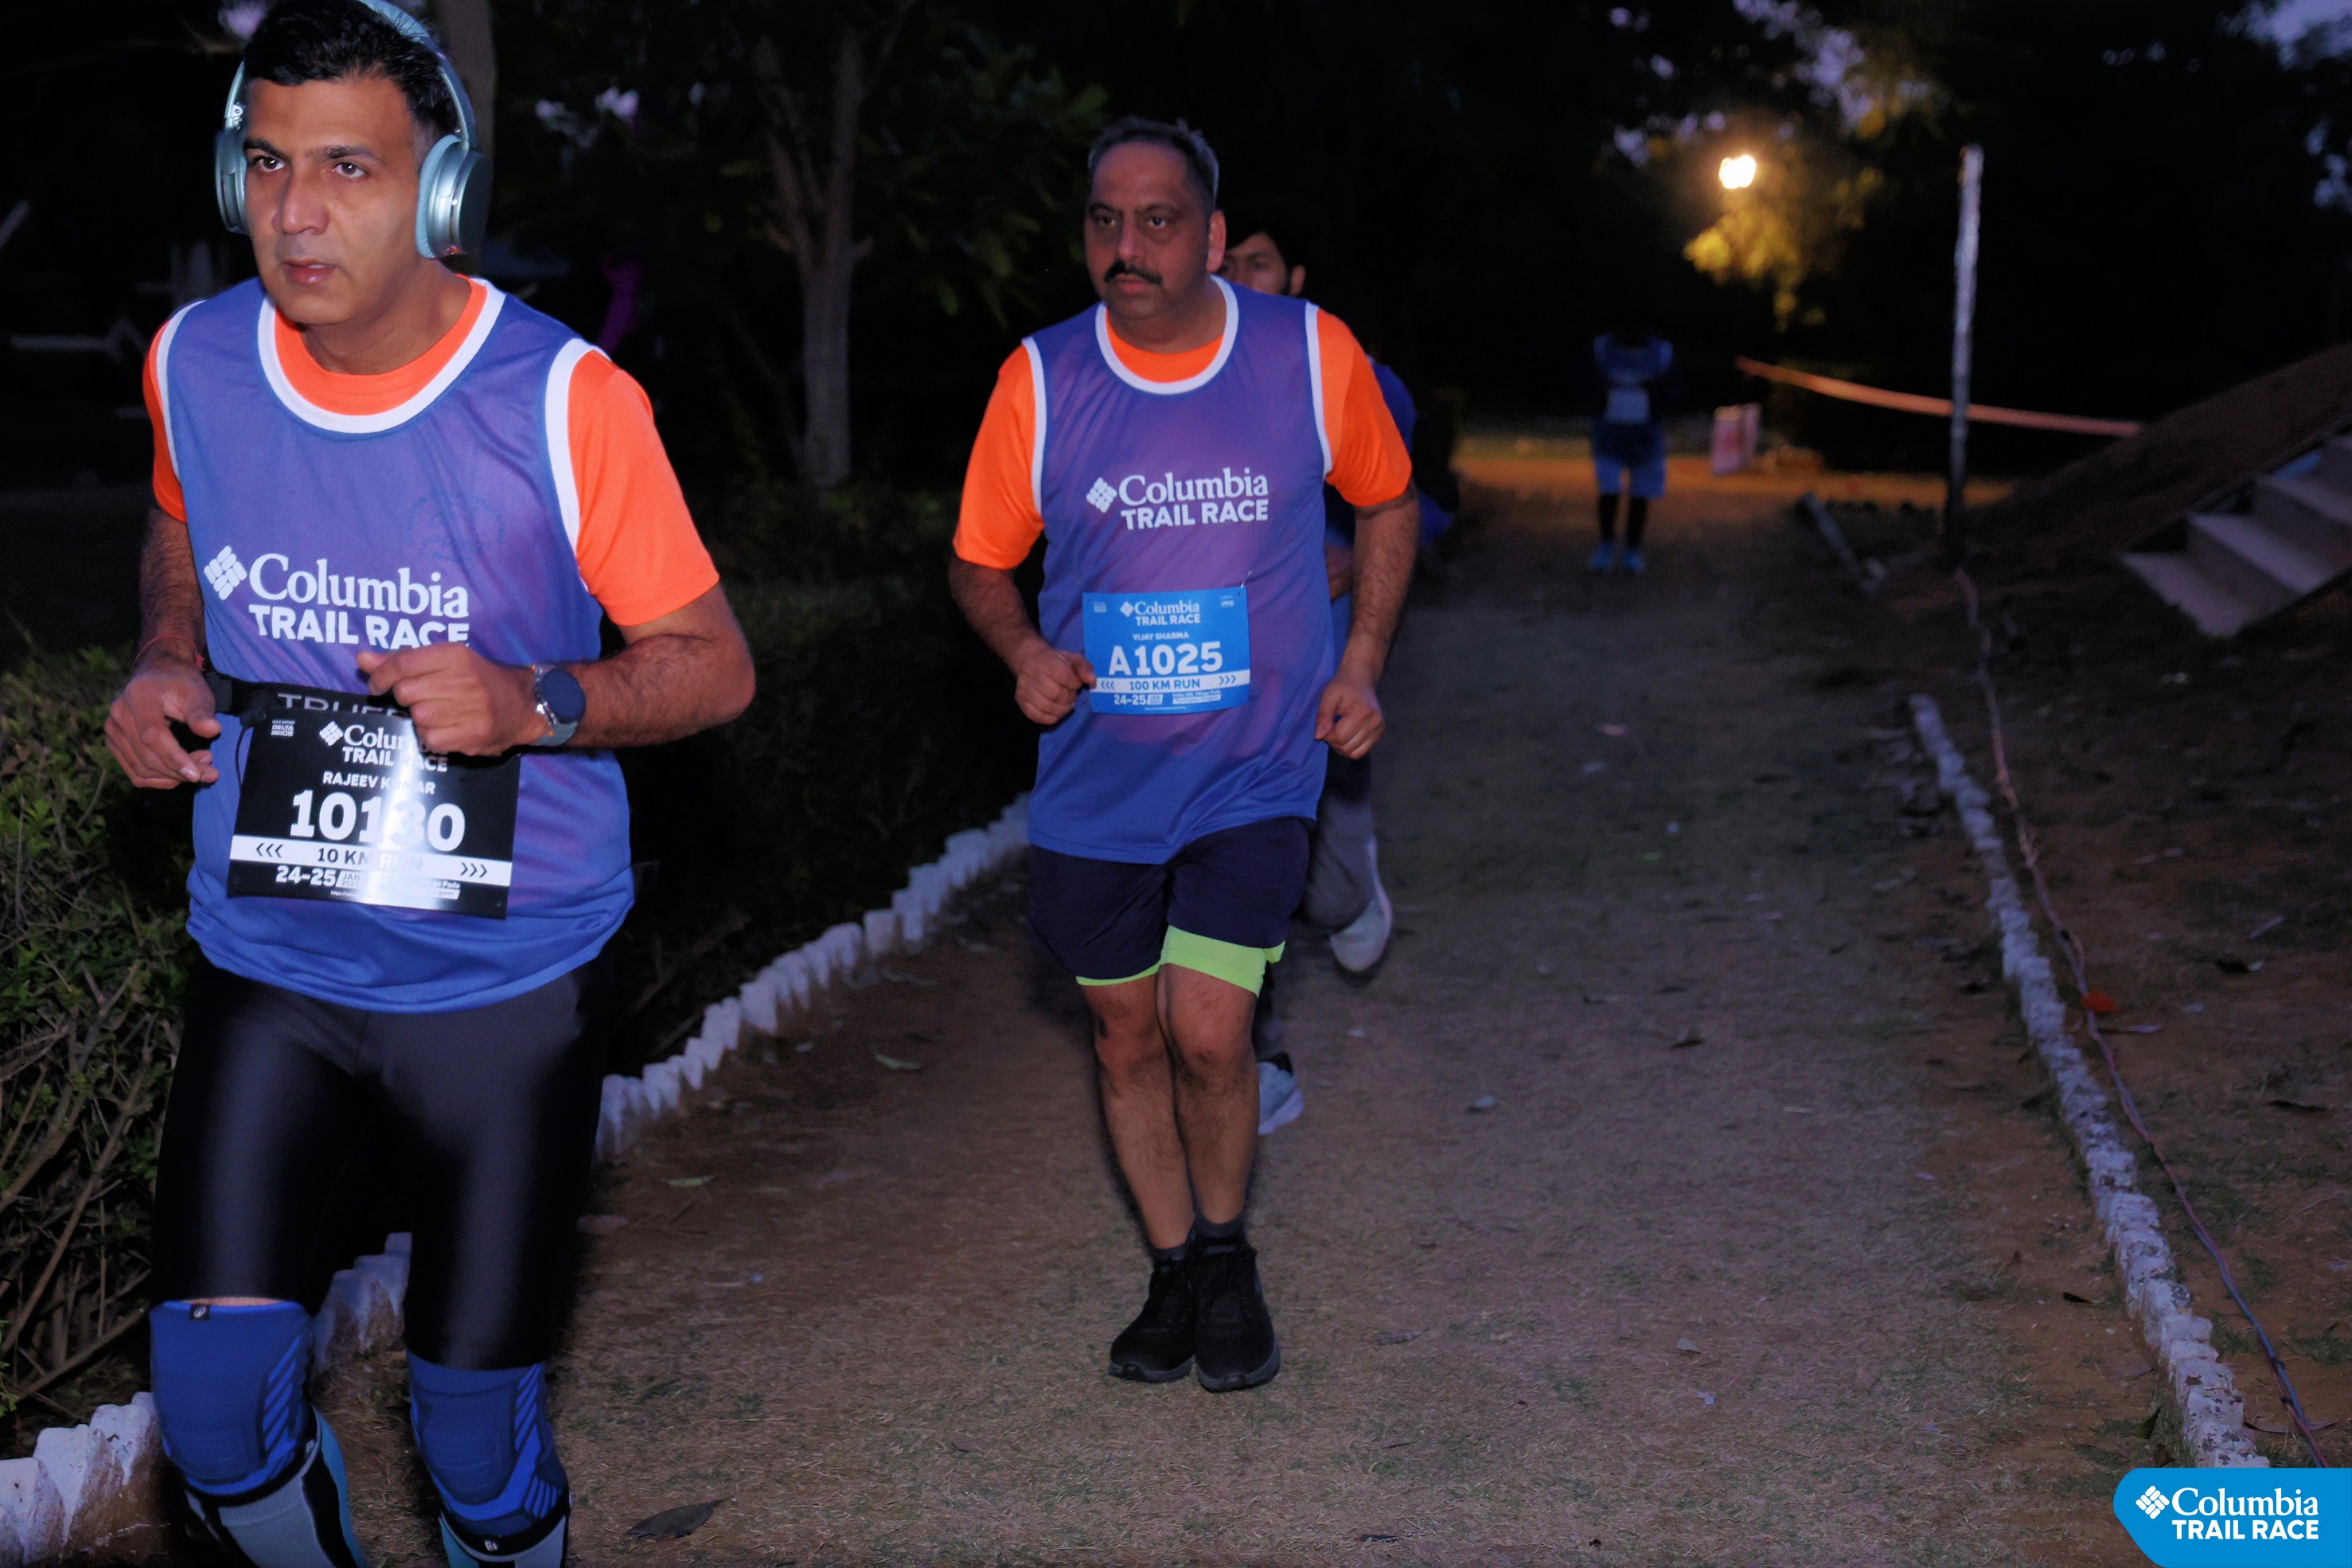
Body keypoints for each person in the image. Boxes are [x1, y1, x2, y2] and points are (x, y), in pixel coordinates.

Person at [103, 3, 755, 1562]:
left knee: (474, 1439)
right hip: (274, 956)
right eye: (269, 163)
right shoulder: (197, 359)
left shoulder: (562, 401)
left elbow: (714, 665)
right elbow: (180, 522)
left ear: (442, 189)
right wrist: (167, 655)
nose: (296, 212)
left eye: (350, 167)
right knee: (212, 1415)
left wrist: (536, 700)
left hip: (506, 985)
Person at [950, 118, 1418, 1392]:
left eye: (1157, 220)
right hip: (1098, 780)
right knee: (1123, 1039)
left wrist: (1360, 661)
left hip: (1251, 767)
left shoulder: (1306, 353)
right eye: (1105, 220)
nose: (1127, 245)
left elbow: (1385, 499)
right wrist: (1020, 650)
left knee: (1209, 1030)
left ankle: (1224, 1253)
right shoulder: (1040, 378)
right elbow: (979, 560)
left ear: (1211, 238)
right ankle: (1171, 1270)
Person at [1219, 220, 1454, 1136]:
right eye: (1227, 261)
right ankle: (1262, 1057)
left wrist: (1352, 563)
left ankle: (1354, 885)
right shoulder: (1175, 380)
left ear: (1296, 275)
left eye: (1258, 262)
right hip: (1214, 674)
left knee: (1322, 890)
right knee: (1233, 861)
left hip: (1318, 670)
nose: (1238, 275)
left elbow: (1419, 504)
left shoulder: (1347, 371)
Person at [1589, 320, 1675, 575]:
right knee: (1610, 491)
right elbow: (1584, 384)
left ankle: (1632, 550)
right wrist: (1600, 397)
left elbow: (1675, 391)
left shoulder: (1662, 352)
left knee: (1640, 496)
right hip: (1610, 435)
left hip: (1645, 437)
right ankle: (1606, 546)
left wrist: (1655, 395)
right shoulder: (1602, 348)